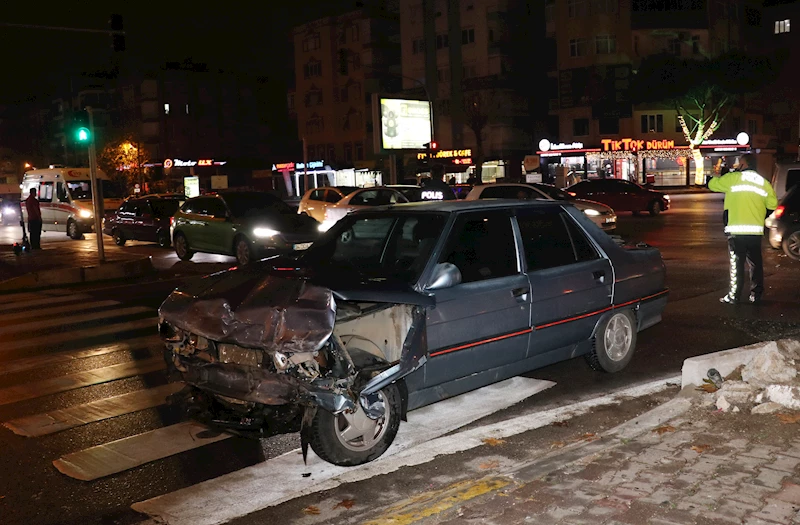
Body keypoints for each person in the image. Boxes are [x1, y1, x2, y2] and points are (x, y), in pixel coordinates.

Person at [708, 154, 777, 304]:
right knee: (756, 264)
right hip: (755, 232)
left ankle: (734, 296)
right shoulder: (763, 183)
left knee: (736, 265)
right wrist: (760, 216)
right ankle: (756, 295)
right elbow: (772, 205)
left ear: (744, 164)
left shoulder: (733, 178)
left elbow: (712, 185)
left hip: (736, 231)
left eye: (740, 163)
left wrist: (719, 173)